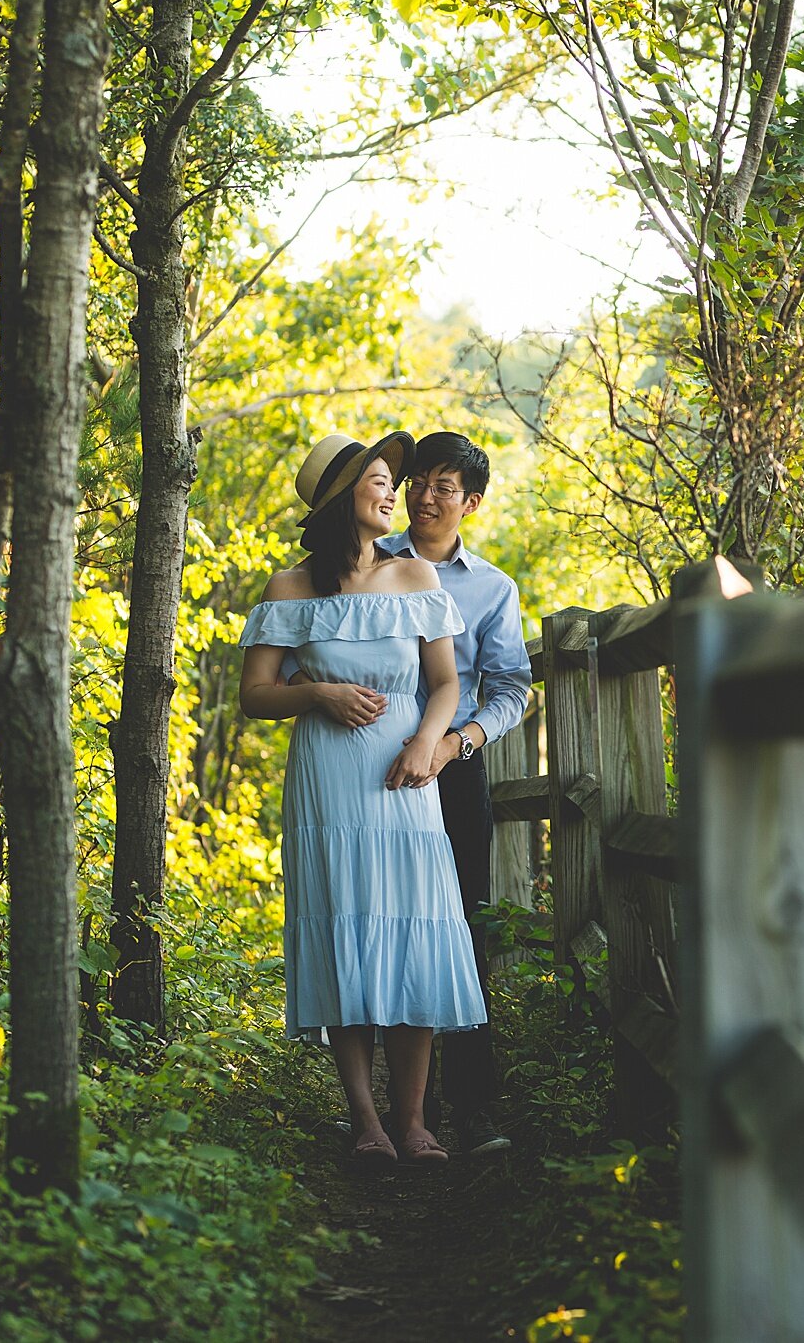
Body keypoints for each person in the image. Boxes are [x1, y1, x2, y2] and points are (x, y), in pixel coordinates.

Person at [237, 430, 488, 1168]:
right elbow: (254, 695)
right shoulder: (290, 588)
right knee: (343, 929)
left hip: (404, 782)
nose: (395, 493)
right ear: (343, 497)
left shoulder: (415, 578)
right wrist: (314, 692)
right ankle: (366, 1120)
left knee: (414, 927)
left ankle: (414, 1122)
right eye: (380, 481)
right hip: (329, 784)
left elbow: (445, 684)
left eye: (393, 481)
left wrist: (426, 744)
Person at [369, 430, 532, 1158]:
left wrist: (457, 741)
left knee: (461, 929)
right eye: (419, 482)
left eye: (444, 487)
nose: (425, 497)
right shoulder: (372, 562)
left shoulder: (493, 588)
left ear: (471, 502)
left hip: (455, 768)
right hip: (376, 763)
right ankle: (405, 1111)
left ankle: (472, 1106)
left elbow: (511, 688)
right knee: (388, 920)